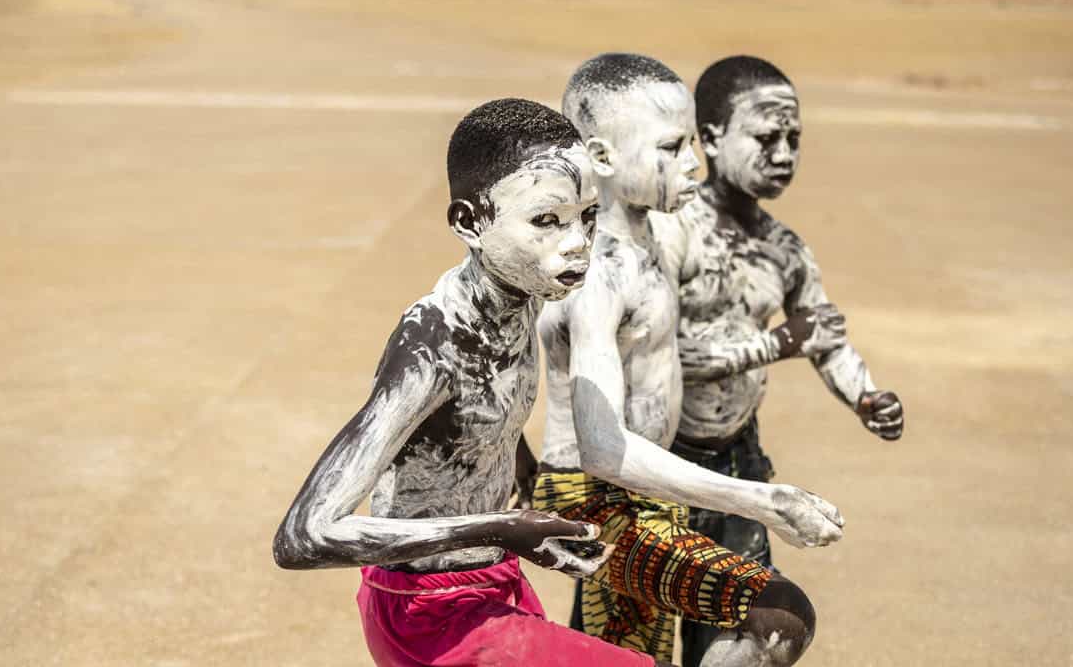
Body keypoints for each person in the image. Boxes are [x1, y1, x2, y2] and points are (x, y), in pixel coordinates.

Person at [274, 98, 673, 667]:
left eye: (587, 215)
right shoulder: (431, 347)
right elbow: (303, 535)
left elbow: (486, 413)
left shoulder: (523, 291)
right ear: (470, 222)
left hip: (493, 580)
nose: (578, 241)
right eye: (546, 220)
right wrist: (504, 526)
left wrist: (525, 476)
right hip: (425, 613)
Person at [532, 54, 843, 667]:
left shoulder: (654, 236)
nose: (694, 164)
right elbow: (602, 446)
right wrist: (760, 501)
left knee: (638, 656)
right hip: (602, 502)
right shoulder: (598, 274)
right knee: (777, 613)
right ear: (602, 158)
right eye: (672, 148)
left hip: (646, 494)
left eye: (694, 143)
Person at [669, 55, 904, 667]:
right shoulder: (670, 232)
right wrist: (773, 345)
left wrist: (866, 396)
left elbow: (824, 335)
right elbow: (659, 360)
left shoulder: (785, 250)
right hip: (652, 469)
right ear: (713, 139)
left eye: (794, 138)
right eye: (766, 136)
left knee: (752, 630)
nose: (784, 153)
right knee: (622, 637)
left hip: (738, 466)